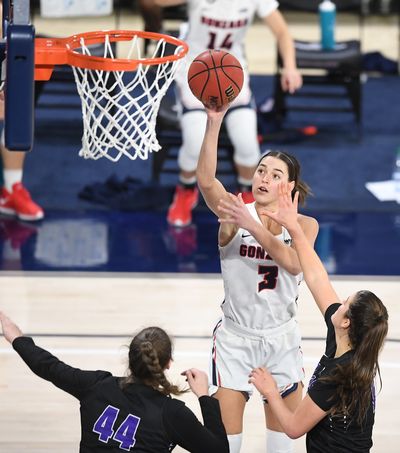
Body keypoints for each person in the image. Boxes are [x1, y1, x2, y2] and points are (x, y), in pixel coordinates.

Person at [218, 182, 389, 452]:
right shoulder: (345, 339)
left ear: (347, 322)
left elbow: (294, 427)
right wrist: (294, 228)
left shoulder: (339, 375)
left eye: (345, 303)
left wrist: (271, 390)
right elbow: (316, 277)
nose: (339, 302)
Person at [195, 104, 318, 453]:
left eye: (274, 174)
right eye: (261, 170)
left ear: (289, 185)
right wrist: (214, 121)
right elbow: (206, 181)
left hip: (281, 343)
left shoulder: (306, 226)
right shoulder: (235, 213)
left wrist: (256, 228)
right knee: (226, 446)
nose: (264, 178)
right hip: (235, 340)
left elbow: (294, 264)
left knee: (282, 448)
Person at [155, 0, 302, 227]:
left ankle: (247, 193)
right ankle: (185, 189)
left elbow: (282, 31)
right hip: (196, 74)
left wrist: (290, 66)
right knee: (195, 144)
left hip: (233, 75)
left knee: (247, 145)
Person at [0, 312, 229, 453]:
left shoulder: (96, 385)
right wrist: (205, 397)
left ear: (130, 357)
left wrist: (17, 338)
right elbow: (219, 450)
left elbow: (47, 366)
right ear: (168, 363)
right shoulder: (172, 413)